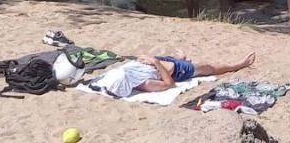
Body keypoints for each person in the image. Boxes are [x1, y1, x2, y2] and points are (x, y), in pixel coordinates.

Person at [98, 52, 256, 98]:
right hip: (178, 70)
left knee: (174, 56)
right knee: (208, 68)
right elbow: (169, 84)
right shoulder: (145, 84)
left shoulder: (120, 73)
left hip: (161, 61)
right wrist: (156, 62)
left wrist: (147, 59)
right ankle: (239, 64)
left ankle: (180, 58)